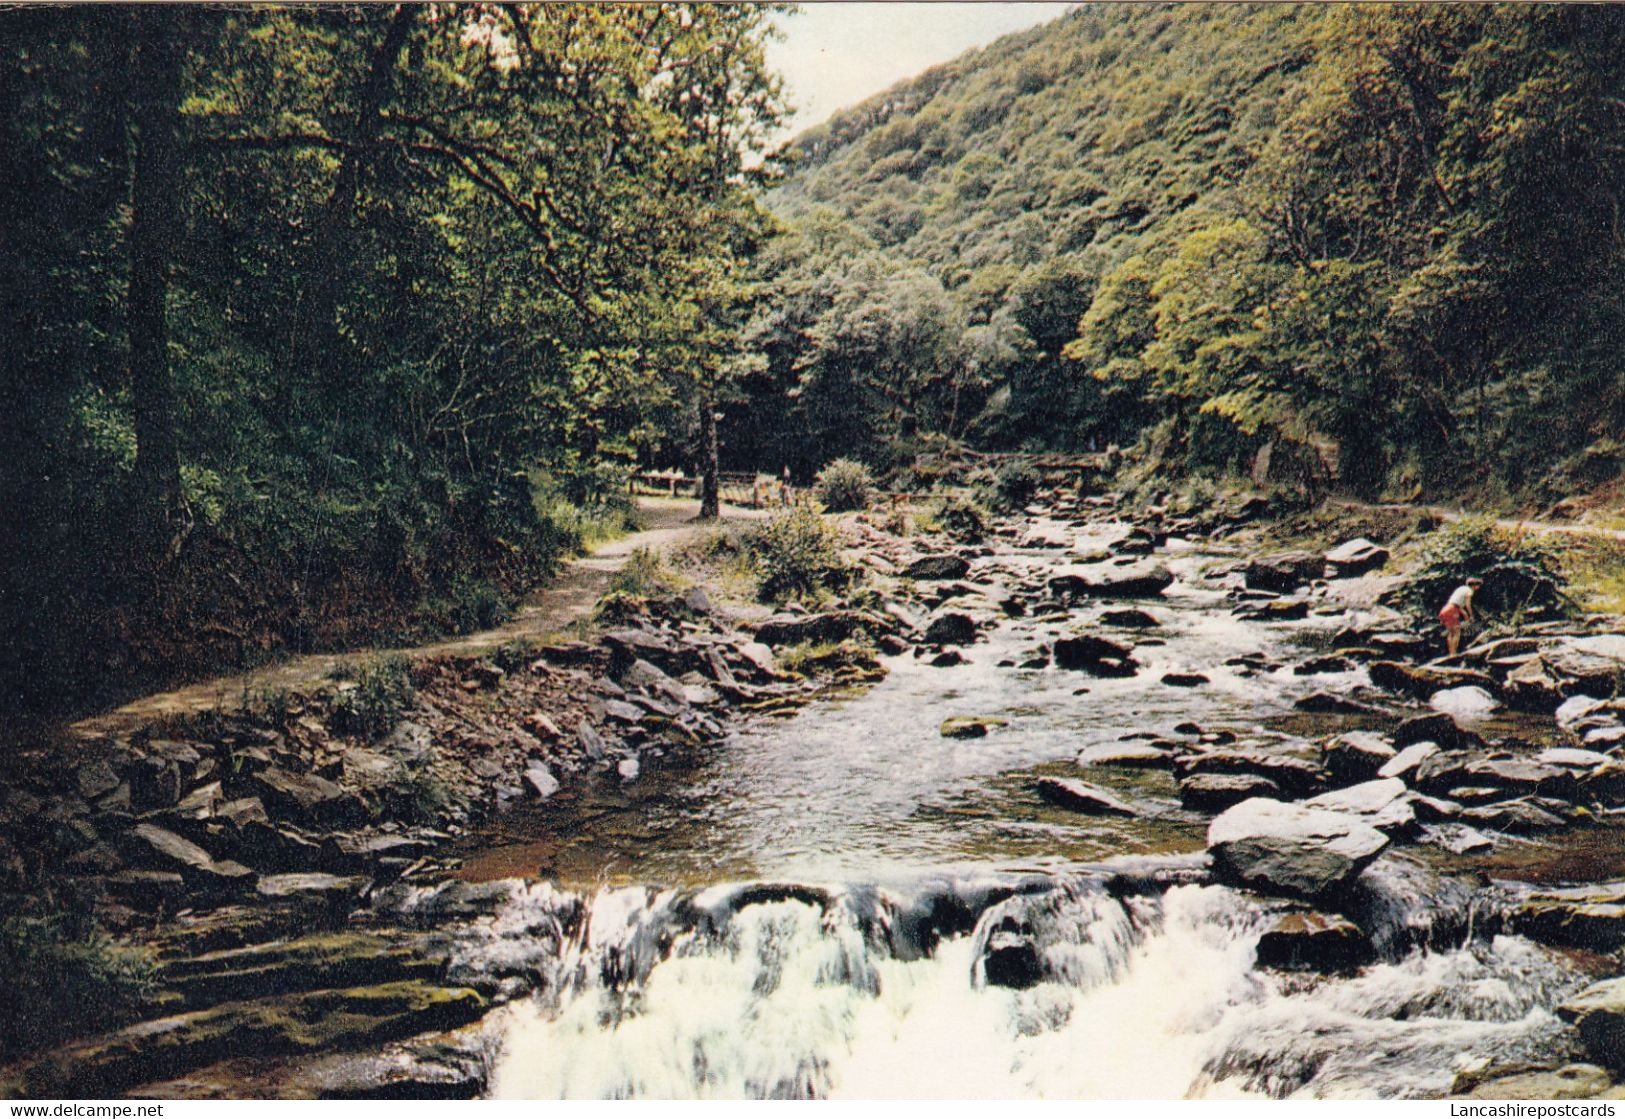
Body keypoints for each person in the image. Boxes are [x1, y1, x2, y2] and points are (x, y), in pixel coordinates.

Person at [1440, 577, 1483, 657]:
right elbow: (1467, 605)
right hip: (1452, 610)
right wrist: (1471, 615)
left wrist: (1466, 617)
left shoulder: (1461, 589)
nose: (1479, 588)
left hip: (1445, 609)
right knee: (1457, 633)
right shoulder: (1469, 591)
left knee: (1451, 633)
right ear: (1475, 585)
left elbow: (1459, 607)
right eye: (1478, 585)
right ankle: (1453, 654)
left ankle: (1451, 653)